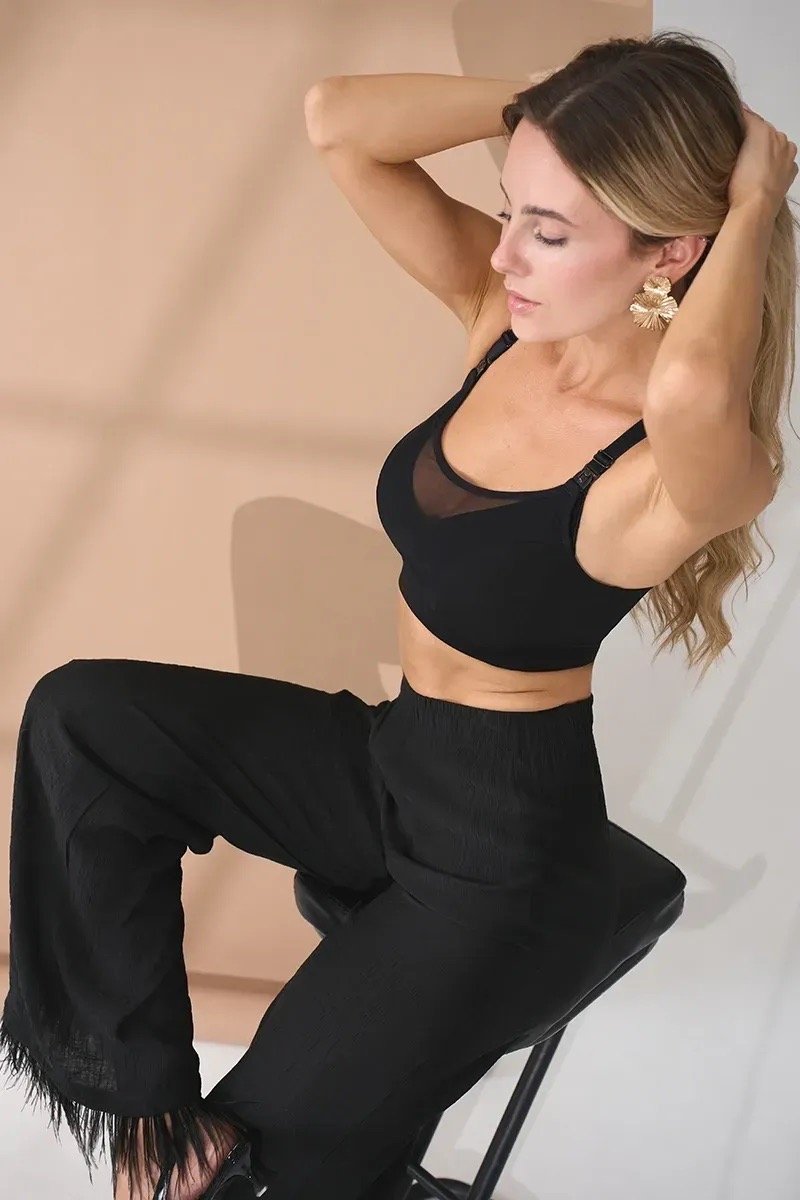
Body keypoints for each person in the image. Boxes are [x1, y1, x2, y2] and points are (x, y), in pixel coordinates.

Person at [2, 28, 796, 1200]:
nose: (508, 251)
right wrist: (557, 101)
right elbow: (340, 121)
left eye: (549, 230)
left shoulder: (677, 468)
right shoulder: (505, 323)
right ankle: (152, 1111)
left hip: (504, 859)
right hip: (395, 760)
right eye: (509, 209)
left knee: (255, 1172)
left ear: (670, 252)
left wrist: (757, 195)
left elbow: (688, 377)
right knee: (87, 720)